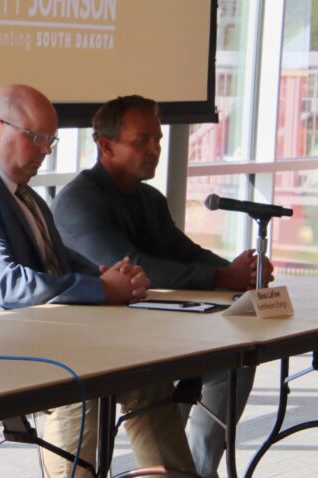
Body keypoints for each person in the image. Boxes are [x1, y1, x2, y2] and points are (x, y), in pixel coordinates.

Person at [0, 84, 196, 477]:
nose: (46, 150)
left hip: (34, 336)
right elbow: (8, 286)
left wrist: (106, 274)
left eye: (51, 140)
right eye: (36, 137)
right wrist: (103, 289)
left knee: (146, 377)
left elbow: (57, 259)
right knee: (80, 378)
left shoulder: (22, 194)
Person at [52, 95, 273, 477]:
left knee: (234, 362)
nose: (155, 149)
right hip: (93, 348)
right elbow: (134, 267)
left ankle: (200, 469)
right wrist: (225, 277)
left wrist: (239, 270)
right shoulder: (78, 201)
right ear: (106, 146)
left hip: (151, 334)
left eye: (158, 139)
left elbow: (185, 252)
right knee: (169, 375)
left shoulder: (149, 198)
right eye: (143, 140)